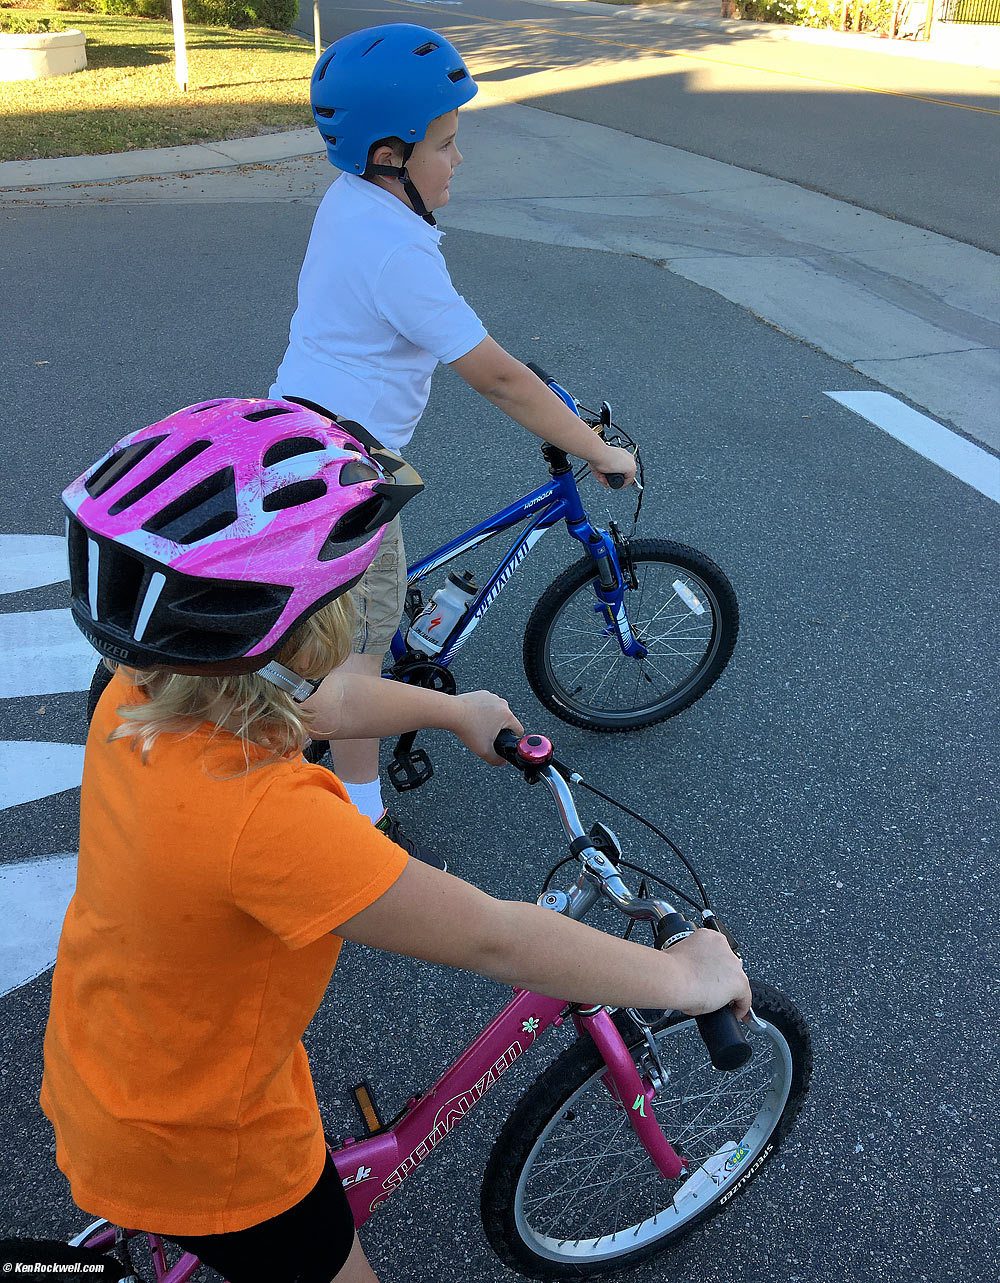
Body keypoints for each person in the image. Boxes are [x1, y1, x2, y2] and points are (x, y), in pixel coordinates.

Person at [42, 399, 750, 1283]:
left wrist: (452, 709)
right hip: (209, 1142)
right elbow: (493, 935)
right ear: (305, 630)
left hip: (118, 1052)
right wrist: (685, 976)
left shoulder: (145, 694)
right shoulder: (269, 817)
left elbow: (315, 702)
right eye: (346, 590)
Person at [269, 23, 638, 865]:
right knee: (357, 660)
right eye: (447, 143)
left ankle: (345, 787)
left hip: (299, 434)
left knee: (347, 633)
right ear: (390, 155)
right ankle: (348, 821)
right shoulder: (399, 249)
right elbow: (500, 379)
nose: (459, 160)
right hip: (349, 476)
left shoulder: (349, 203)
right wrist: (600, 449)